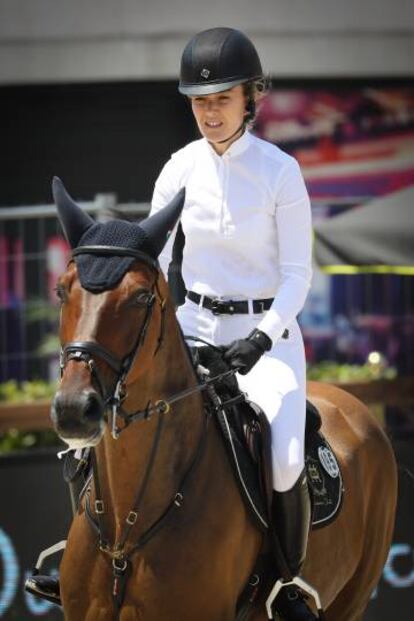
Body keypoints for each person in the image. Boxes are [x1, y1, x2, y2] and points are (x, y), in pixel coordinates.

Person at [150, 27, 315, 621]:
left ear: (252, 97)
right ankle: (92, 549)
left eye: (221, 98)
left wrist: (261, 337)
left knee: (286, 458)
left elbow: (298, 276)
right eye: (199, 100)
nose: (209, 112)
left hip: (267, 341)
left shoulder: (280, 171)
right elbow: (154, 252)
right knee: (128, 418)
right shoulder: (178, 169)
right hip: (194, 330)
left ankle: (285, 584)